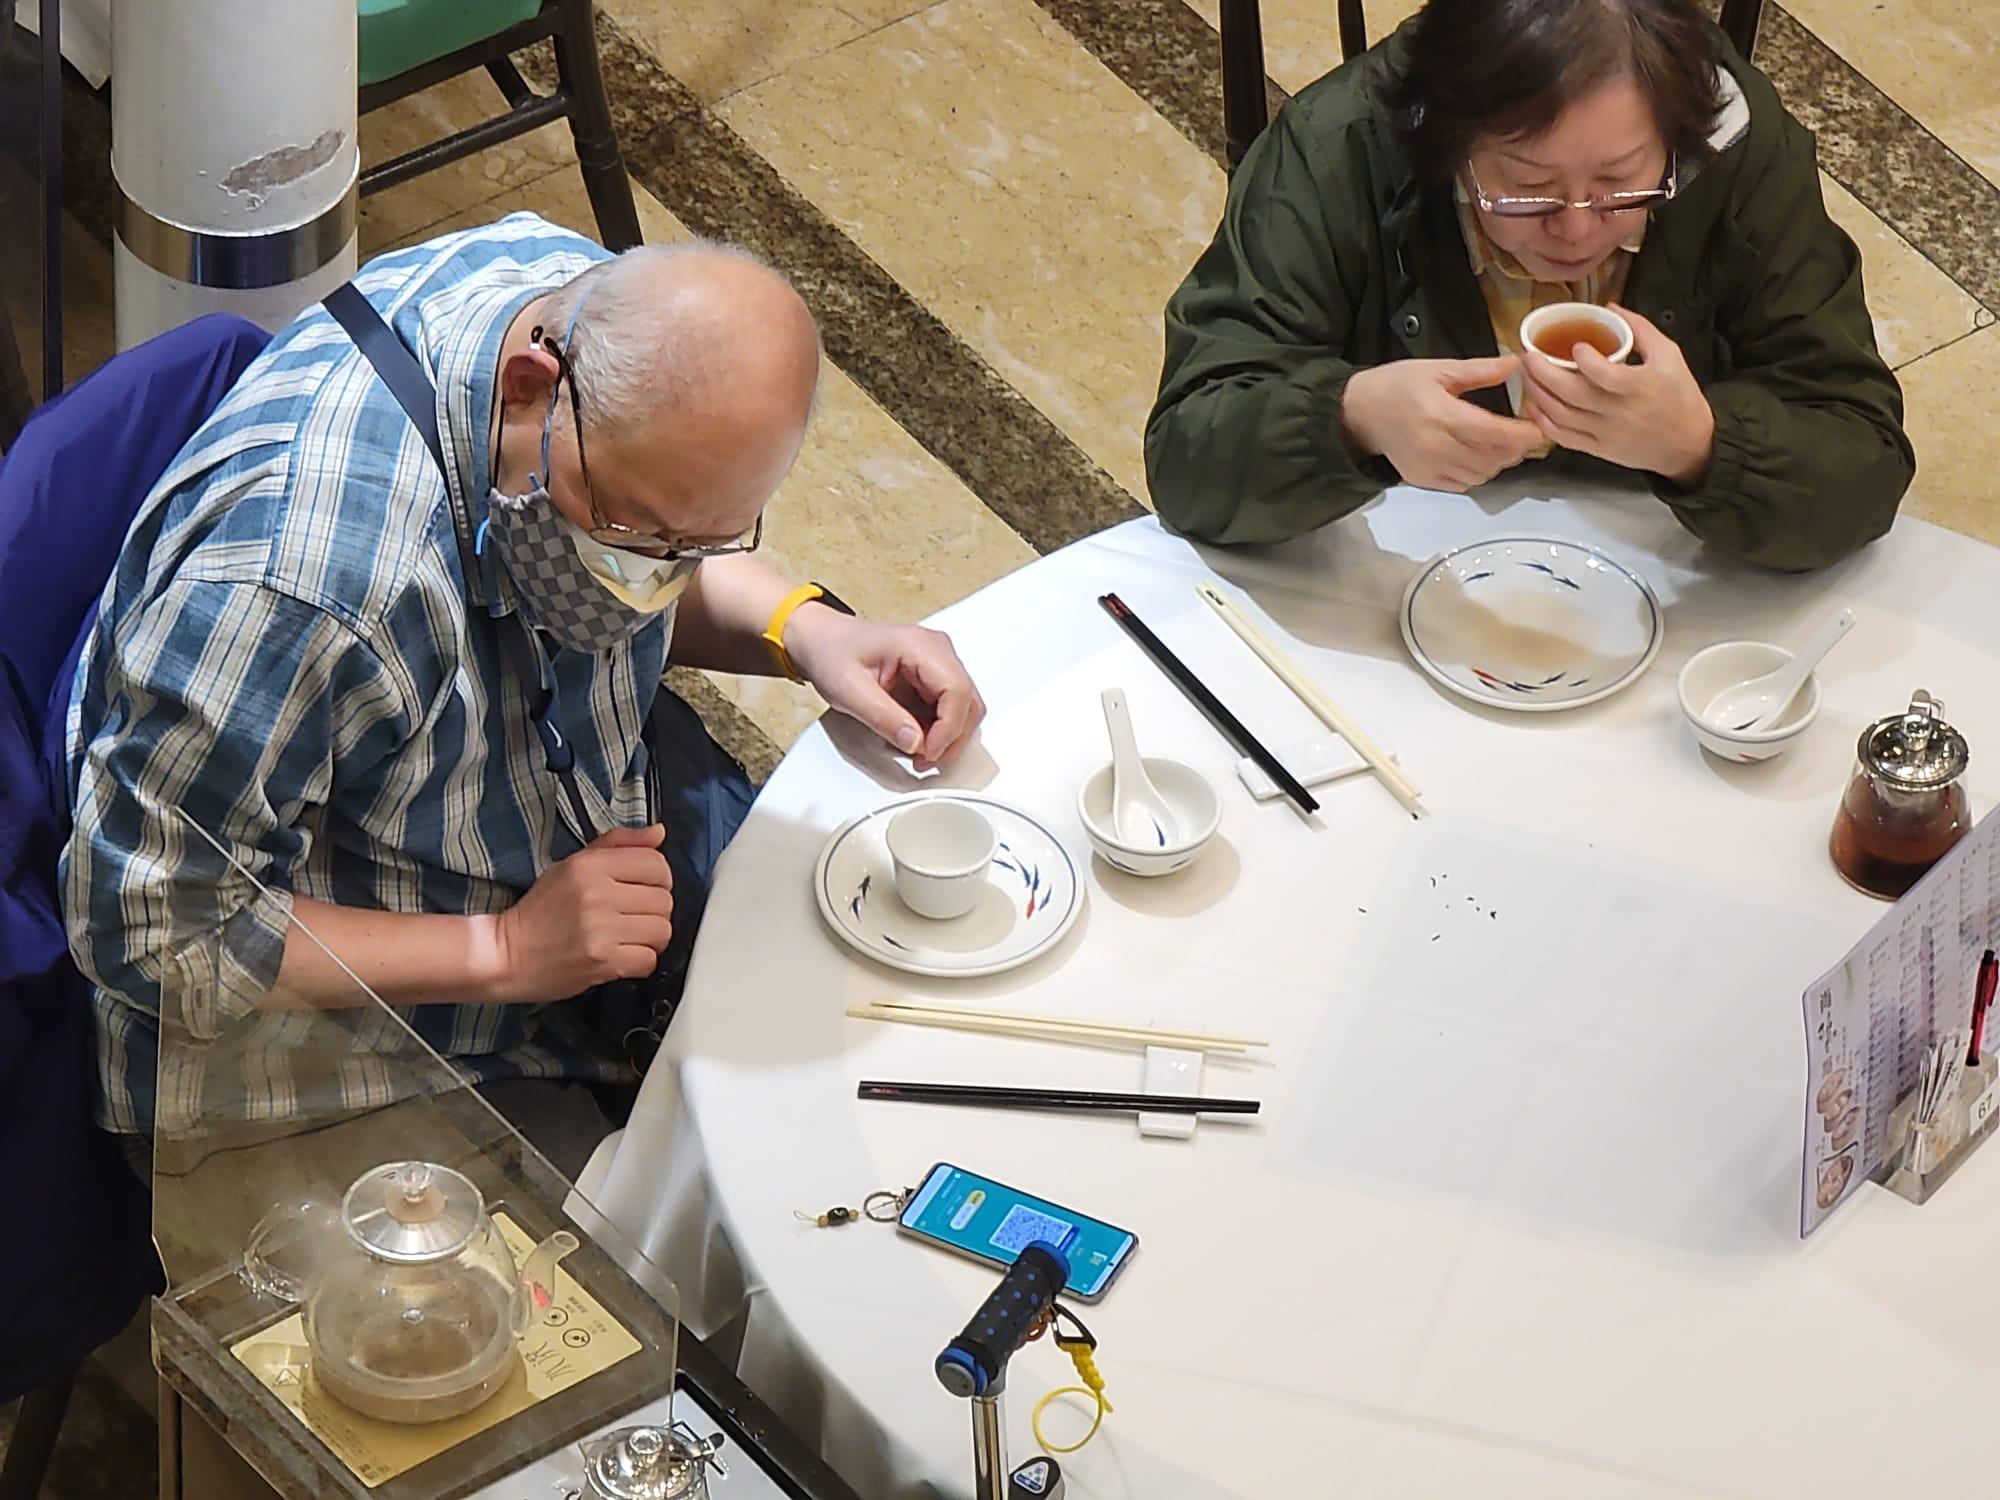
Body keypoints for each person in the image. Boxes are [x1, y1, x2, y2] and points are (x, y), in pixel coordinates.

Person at [62, 213, 985, 1166]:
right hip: (334, 1041)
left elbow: (642, 568)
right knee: (659, 1249)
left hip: (540, 833)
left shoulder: (575, 297)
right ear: (531, 388)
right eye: (637, 531)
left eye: (707, 544)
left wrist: (808, 629)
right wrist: (506, 950)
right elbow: (147, 930)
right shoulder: (302, 590)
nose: (660, 578)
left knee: (870, 1001)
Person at [1146, 0, 1914, 571]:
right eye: (1527, 192)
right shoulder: (1340, 149)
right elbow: (1189, 458)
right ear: (1447, 146)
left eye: (1621, 185)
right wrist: (1352, 421)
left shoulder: (1737, 152)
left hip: (1667, 577)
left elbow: (1864, 458)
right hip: (1406, 575)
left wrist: (1704, 445)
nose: (1578, 231)